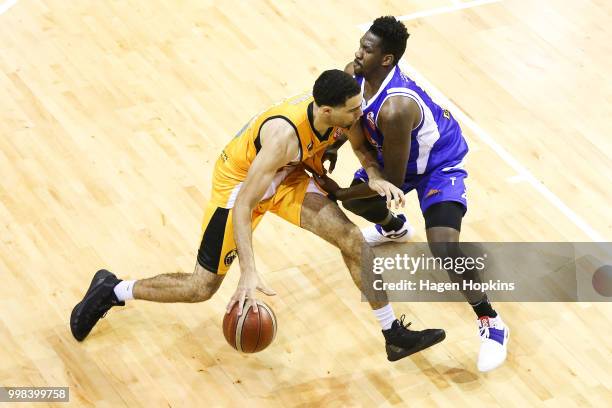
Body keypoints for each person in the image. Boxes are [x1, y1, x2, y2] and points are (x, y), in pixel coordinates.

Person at [70, 69, 446, 362]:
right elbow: (246, 204)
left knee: (350, 238)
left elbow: (363, 150)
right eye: (353, 109)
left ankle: (393, 335)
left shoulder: (341, 115)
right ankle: (114, 289)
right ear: (328, 111)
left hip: (290, 175)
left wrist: (377, 178)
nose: (360, 113)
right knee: (202, 288)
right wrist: (249, 271)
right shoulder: (283, 135)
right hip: (241, 186)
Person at [319, 17, 509, 372]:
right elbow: (353, 119)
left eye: (368, 49)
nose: (358, 52)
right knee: (361, 199)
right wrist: (336, 143)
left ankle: (491, 320)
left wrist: (341, 191)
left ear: (387, 60)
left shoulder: (396, 107)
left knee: (444, 247)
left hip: (438, 164)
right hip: (396, 156)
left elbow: (390, 179)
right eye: (360, 44)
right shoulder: (354, 75)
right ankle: (395, 229)